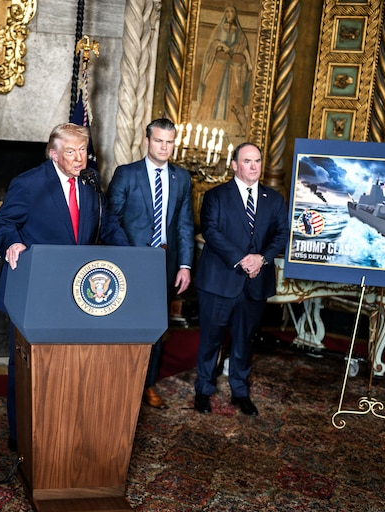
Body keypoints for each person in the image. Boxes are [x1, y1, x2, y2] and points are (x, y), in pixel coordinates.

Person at [0, 122, 129, 450]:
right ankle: (20, 434)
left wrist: (134, 258)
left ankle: (59, 429)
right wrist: (12, 243)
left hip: (77, 292)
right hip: (35, 290)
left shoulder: (91, 183)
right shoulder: (30, 183)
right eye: (71, 152)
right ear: (53, 153)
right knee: (27, 365)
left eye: (83, 150)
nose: (79, 158)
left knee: (67, 365)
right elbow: (2, 223)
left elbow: (107, 224)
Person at [192, 142, 288, 416]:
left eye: (257, 160)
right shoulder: (216, 196)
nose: (254, 166)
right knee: (211, 339)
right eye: (247, 161)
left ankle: (240, 391)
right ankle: (204, 390)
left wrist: (261, 259)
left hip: (255, 283)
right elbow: (211, 231)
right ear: (235, 165)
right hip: (220, 281)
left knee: (245, 340)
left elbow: (281, 234)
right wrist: (243, 259)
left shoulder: (274, 199)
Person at [107, 118, 194, 409]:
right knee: (124, 324)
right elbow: (111, 219)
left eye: (169, 142)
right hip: (129, 263)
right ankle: (118, 383)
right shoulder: (126, 174)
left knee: (156, 326)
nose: (164, 147)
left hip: (164, 264)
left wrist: (185, 265)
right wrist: (127, 256)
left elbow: (184, 224)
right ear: (147, 141)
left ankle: (147, 384)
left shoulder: (181, 178)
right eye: (159, 141)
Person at [195, 5, 252, 128]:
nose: (229, 14)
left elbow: (243, 48)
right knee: (213, 88)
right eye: (227, 12)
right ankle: (206, 116)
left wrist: (249, 63)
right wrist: (220, 45)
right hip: (218, 65)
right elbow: (212, 44)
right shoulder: (219, 29)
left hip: (232, 68)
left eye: (232, 12)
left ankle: (232, 120)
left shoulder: (239, 33)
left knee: (234, 91)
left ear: (235, 15)